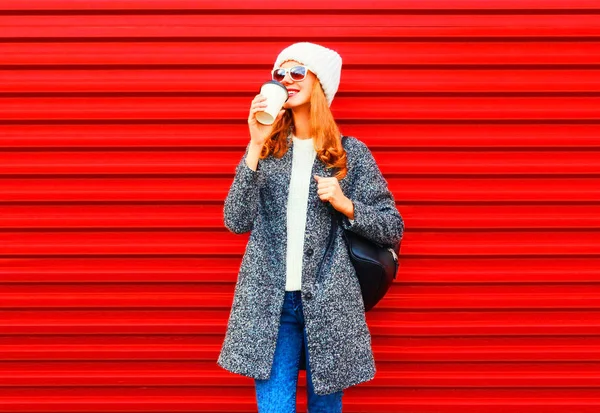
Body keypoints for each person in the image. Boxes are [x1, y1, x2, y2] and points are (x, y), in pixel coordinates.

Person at [217, 42, 404, 412]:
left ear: (320, 84)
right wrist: (254, 145)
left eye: (297, 72)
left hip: (330, 304)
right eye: (279, 74)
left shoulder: (349, 154)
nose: (286, 79)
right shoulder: (267, 152)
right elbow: (235, 220)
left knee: (325, 409)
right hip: (271, 304)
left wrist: (346, 204)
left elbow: (392, 227)